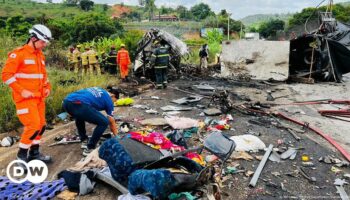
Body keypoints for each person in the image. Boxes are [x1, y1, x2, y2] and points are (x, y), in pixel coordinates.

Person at [1, 24, 53, 163]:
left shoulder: (40, 55)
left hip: (39, 98)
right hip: (25, 99)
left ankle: (34, 153)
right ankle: (21, 156)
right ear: (33, 38)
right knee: (33, 126)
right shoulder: (18, 54)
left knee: (41, 125)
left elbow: (43, 75)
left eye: (45, 43)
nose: (44, 45)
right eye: (42, 42)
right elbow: (6, 75)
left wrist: (47, 87)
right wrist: (21, 90)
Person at [62, 87, 118, 156]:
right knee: (104, 122)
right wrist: (117, 137)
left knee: (80, 116)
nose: (113, 103)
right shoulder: (109, 100)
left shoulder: (100, 90)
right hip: (79, 104)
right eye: (114, 101)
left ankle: (84, 141)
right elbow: (111, 121)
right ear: (113, 95)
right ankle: (90, 148)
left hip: (66, 102)